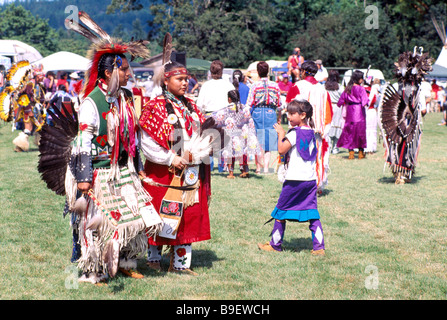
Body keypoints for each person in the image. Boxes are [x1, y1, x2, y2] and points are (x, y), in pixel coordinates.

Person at [62, 15, 160, 284]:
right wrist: (83, 179)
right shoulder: (92, 102)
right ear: (109, 73)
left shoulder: (126, 98)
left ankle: (126, 262)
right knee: (95, 223)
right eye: (125, 69)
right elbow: (83, 140)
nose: (130, 73)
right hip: (98, 172)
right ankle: (91, 270)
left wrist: (137, 167)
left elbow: (133, 138)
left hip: (124, 169)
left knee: (132, 218)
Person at [139, 58, 212, 276]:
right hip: (163, 171)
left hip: (191, 172)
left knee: (188, 215)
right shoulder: (155, 107)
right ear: (166, 80)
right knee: (161, 214)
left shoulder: (192, 107)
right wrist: (171, 159)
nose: (184, 83)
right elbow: (147, 142)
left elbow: (205, 135)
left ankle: (181, 264)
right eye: (180, 79)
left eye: (186, 80)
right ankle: (153, 258)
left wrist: (200, 152)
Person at [257, 99, 325, 256]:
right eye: (288, 113)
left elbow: (281, 150)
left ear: (303, 115)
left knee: (280, 211)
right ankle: (319, 247)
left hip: (294, 180)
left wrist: (281, 134)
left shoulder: (294, 133)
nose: (288, 116)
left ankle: (275, 245)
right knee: (312, 212)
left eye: (292, 113)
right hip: (309, 179)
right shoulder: (313, 132)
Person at [285, 61, 333, 192]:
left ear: (304, 72)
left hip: (301, 129)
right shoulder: (322, 89)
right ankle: (317, 185)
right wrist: (325, 129)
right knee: (316, 156)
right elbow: (329, 112)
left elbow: (288, 106)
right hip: (318, 130)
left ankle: (299, 186)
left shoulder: (298, 86)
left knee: (299, 156)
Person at [246, 61, 283, 174]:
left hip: (257, 111)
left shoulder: (254, 85)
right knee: (269, 141)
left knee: (257, 140)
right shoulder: (275, 85)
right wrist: (279, 117)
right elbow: (280, 104)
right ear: (268, 72)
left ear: (258, 72)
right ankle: (266, 168)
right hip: (270, 112)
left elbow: (249, 103)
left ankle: (258, 167)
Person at [336, 70, 369, 160]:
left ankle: (351, 153)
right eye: (361, 79)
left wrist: (340, 104)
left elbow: (341, 101)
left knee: (350, 132)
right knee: (360, 132)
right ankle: (360, 153)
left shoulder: (348, 88)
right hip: (359, 112)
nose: (362, 80)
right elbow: (365, 101)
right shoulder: (361, 89)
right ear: (359, 79)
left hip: (350, 112)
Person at [325, 70, 344, 154]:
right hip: (337, 107)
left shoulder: (325, 86)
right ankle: (335, 147)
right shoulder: (340, 87)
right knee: (337, 126)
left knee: (329, 126)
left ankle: (328, 147)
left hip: (328, 106)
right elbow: (343, 97)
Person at [365, 78, 381, 153]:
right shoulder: (374, 91)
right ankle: (371, 147)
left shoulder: (362, 90)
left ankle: (366, 147)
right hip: (372, 111)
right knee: (372, 129)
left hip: (365, 111)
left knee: (367, 129)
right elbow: (377, 102)